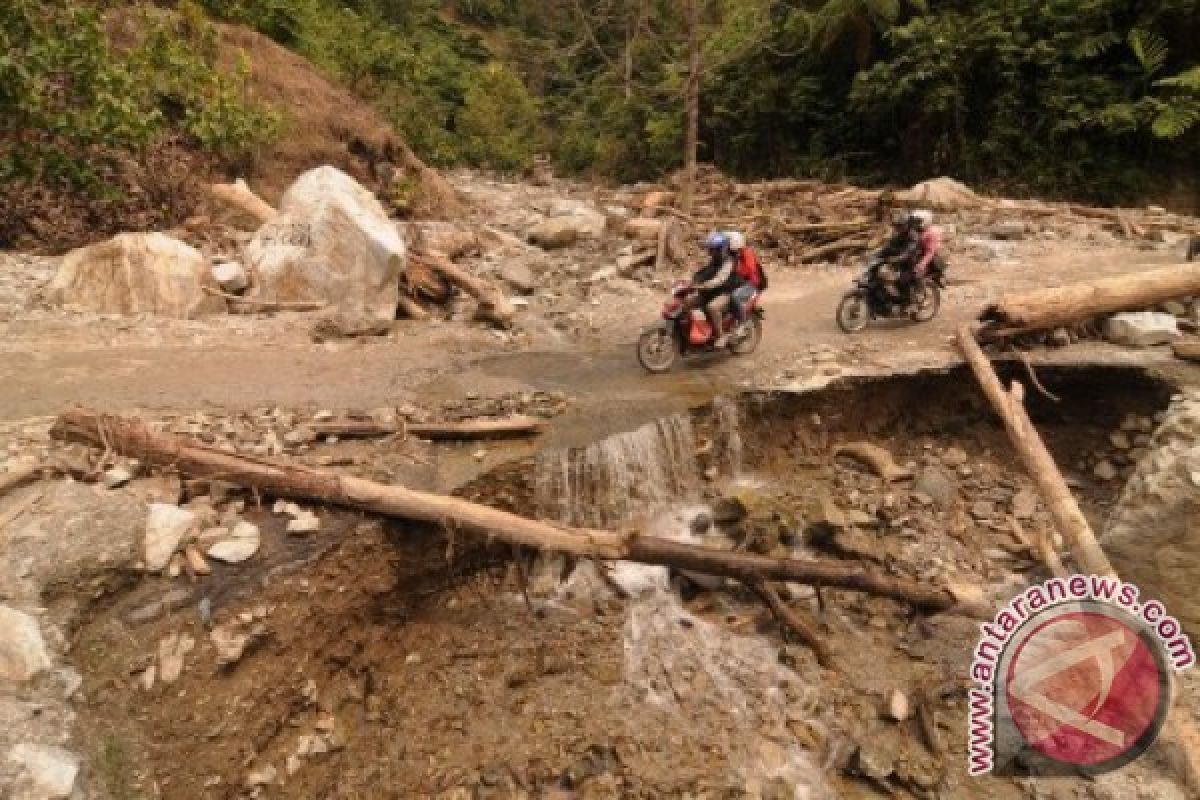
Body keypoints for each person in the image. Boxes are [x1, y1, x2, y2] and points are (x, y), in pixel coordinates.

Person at [691, 231, 739, 347]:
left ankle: (720, 336)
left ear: (721, 249)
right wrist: (694, 280)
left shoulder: (729, 262)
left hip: (725, 291)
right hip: (712, 291)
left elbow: (720, 279)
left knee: (712, 307)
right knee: (688, 301)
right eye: (710, 250)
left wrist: (704, 285)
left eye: (713, 250)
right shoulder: (715, 260)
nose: (710, 252)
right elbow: (706, 271)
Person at [727, 231, 766, 334]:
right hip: (743, 281)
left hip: (752, 283)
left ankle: (742, 322)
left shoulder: (746, 252)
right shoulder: (736, 254)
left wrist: (737, 271)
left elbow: (749, 269)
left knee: (734, 297)